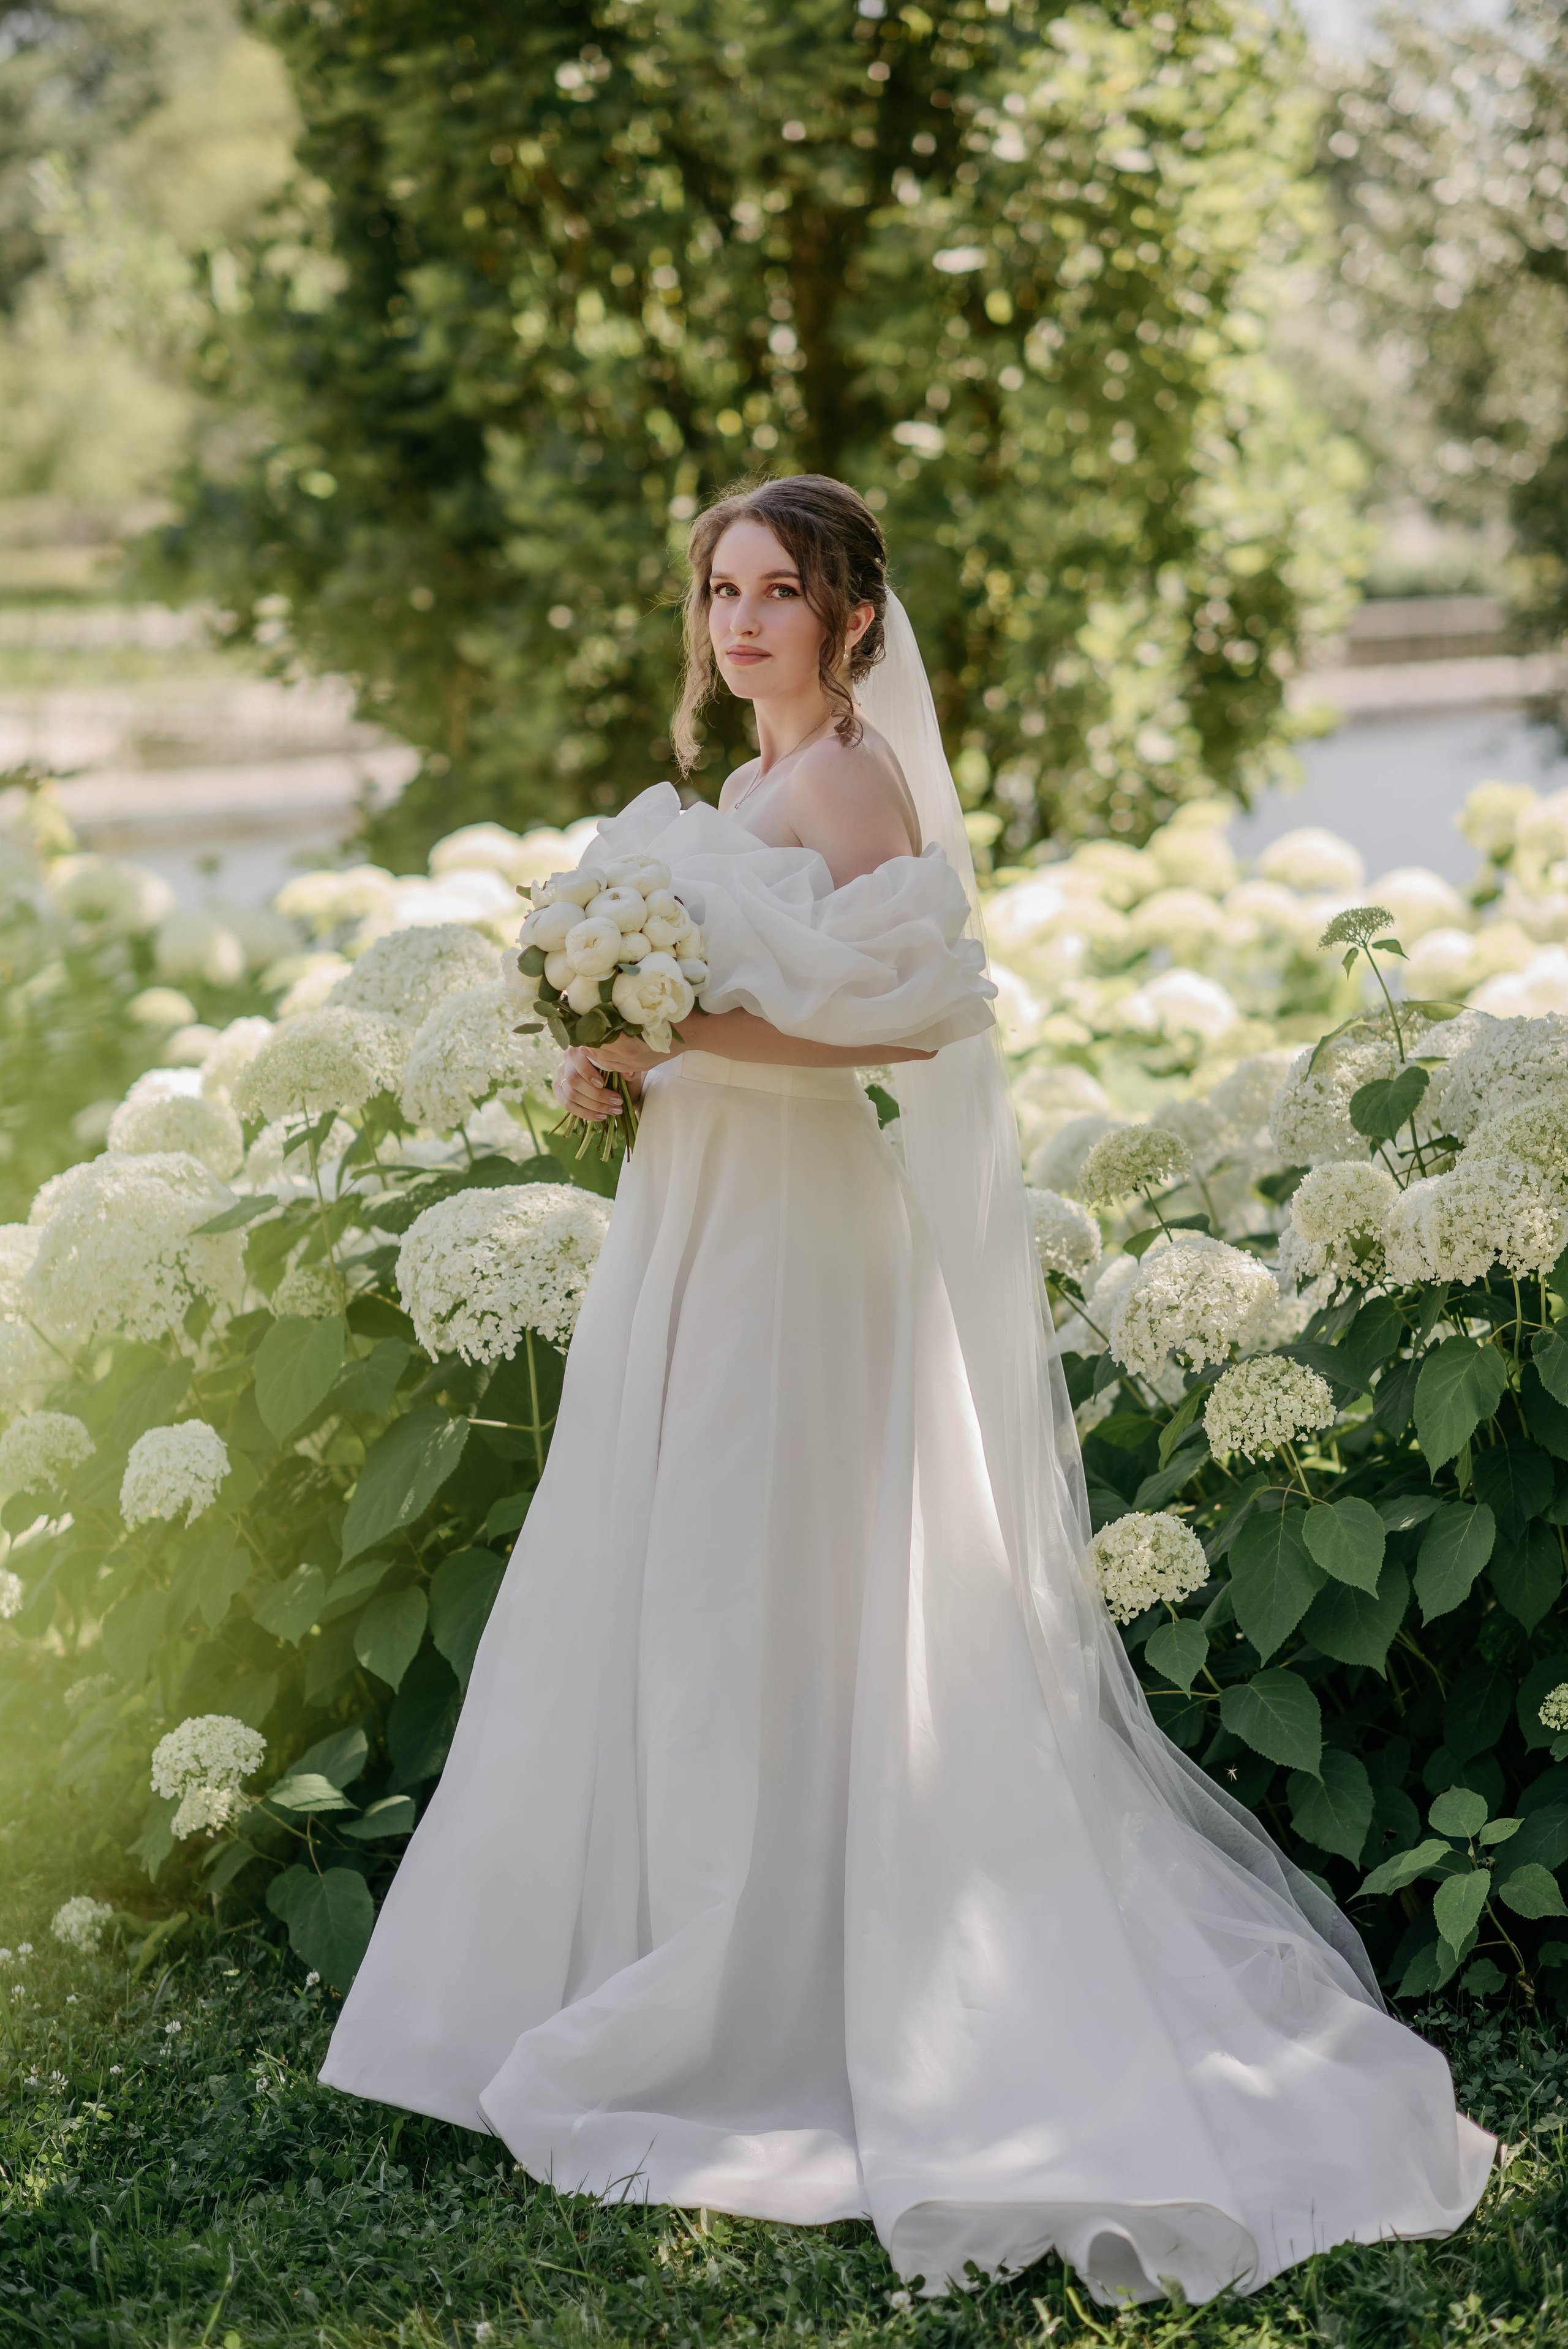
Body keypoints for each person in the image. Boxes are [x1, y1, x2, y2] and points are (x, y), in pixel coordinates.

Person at [321, 475, 1493, 2306]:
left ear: (850, 616)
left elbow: (921, 1014)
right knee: (688, 1568)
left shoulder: (853, 782)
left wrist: (683, 1027)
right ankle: (685, 1925)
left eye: (777, 591)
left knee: (769, 1566)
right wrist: (618, 1065)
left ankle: (787, 1965)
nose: (740, 622)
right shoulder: (739, 792)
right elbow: (743, 1011)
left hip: (798, 1232)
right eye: (721, 590)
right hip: (702, 1205)